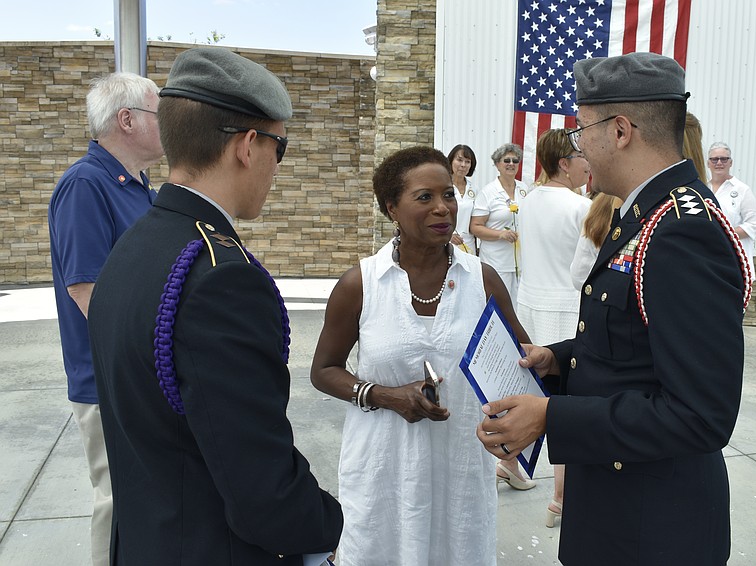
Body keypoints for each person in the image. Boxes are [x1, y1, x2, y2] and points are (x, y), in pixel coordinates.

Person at [476, 52, 751, 565]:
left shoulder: (682, 229)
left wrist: (552, 416)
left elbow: (701, 415)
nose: (579, 147)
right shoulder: (640, 214)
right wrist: (557, 359)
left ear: (620, 130)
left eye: (582, 130)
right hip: (617, 507)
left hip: (653, 527)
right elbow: (633, 340)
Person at [86, 47, 343, 565]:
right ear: (249, 145)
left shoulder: (135, 245)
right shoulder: (221, 278)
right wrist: (330, 521)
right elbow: (261, 491)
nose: (276, 165)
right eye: (280, 147)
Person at [310, 146, 529, 565]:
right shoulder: (362, 284)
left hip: (461, 471)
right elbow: (323, 370)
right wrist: (385, 395)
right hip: (384, 473)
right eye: (424, 197)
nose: (442, 208)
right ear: (391, 207)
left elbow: (520, 360)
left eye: (448, 195)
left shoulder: (482, 280)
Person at [47, 72, 163, 566]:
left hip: (141, 374)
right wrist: (142, 357)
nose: (171, 126)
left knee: (146, 500)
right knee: (117, 500)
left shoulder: (141, 188)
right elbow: (85, 289)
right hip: (110, 380)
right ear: (127, 120)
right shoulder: (85, 185)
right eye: (162, 114)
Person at [514, 129, 591, 527]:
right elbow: (587, 268)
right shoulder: (581, 207)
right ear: (565, 163)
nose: (588, 164)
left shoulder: (527, 202)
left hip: (530, 303)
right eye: (582, 157)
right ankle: (560, 497)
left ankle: (509, 463)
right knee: (563, 404)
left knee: (527, 391)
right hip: (564, 310)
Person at [470, 143, 531, 306]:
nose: (511, 164)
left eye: (515, 160)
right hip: (496, 261)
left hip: (519, 260)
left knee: (519, 306)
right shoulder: (488, 192)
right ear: (497, 164)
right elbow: (475, 227)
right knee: (499, 305)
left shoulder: (524, 189)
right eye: (507, 160)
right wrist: (500, 234)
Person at [708, 141, 756, 276]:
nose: (719, 163)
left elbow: (753, 225)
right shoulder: (702, 188)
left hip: (735, 260)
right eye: (714, 159)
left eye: (724, 159)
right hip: (708, 258)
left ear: (730, 162)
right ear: (708, 163)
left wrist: (725, 234)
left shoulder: (742, 190)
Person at [447, 144, 478, 253]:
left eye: (467, 162)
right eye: (459, 160)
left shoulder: (474, 189)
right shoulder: (442, 186)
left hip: (468, 245)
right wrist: (448, 234)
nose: (463, 165)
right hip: (447, 242)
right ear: (451, 161)